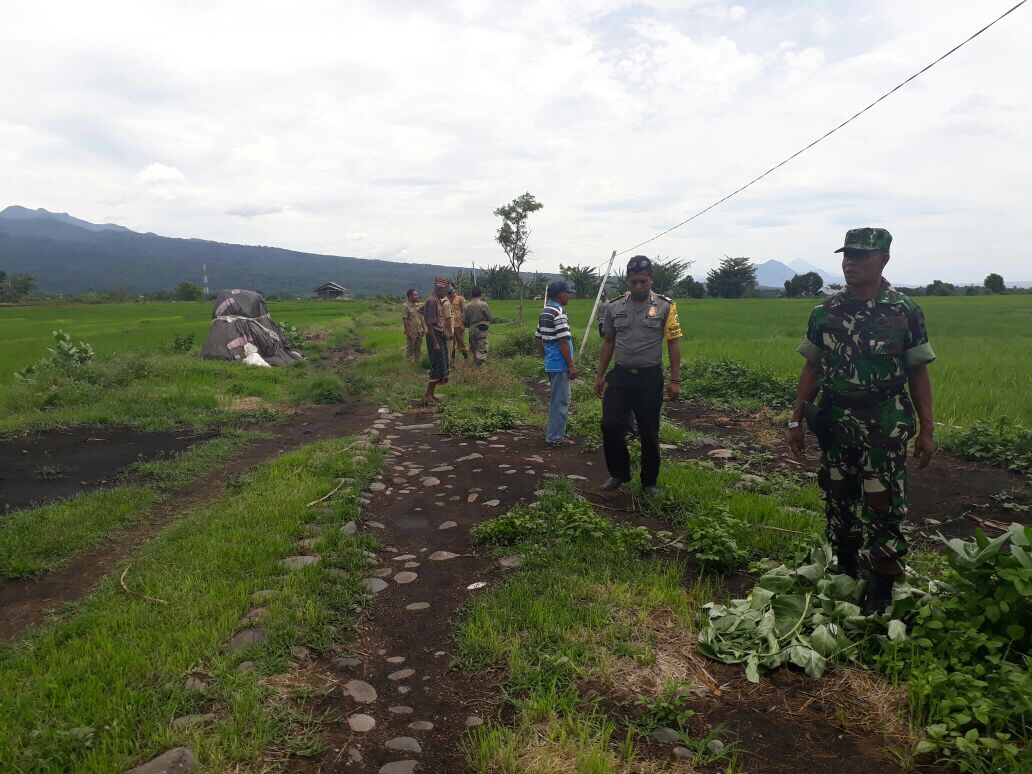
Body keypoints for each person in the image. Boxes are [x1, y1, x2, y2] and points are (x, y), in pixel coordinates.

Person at [789, 227, 936, 616]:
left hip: (885, 420)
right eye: (847, 255)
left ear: (883, 260)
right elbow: (811, 367)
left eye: (860, 256)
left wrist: (927, 428)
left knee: (884, 502)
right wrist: (795, 419)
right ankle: (847, 569)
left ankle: (883, 584)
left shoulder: (905, 310)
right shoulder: (826, 311)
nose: (849, 263)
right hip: (836, 418)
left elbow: (918, 371)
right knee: (839, 498)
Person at [595, 256, 681, 497]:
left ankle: (649, 482)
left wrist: (675, 380)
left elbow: (673, 343)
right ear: (627, 281)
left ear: (651, 279)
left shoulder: (665, 306)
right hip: (621, 376)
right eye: (634, 282)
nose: (638, 286)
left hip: (649, 378)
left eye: (643, 282)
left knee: (648, 430)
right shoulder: (615, 307)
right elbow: (609, 342)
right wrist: (600, 374)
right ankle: (619, 473)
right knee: (610, 424)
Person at [535, 279, 577, 447]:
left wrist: (546, 354)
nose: (569, 297)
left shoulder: (545, 311)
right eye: (568, 294)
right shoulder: (558, 313)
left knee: (557, 399)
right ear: (562, 295)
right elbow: (563, 342)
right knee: (561, 400)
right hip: (560, 364)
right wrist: (571, 365)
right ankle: (555, 437)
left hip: (552, 362)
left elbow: (538, 338)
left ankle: (555, 433)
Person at [421, 277, 451, 405]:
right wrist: (435, 342)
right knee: (437, 366)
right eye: (445, 291)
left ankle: (431, 394)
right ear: (440, 289)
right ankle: (428, 395)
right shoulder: (432, 301)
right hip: (435, 335)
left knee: (441, 365)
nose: (446, 293)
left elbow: (422, 311)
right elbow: (430, 322)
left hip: (439, 334)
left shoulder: (435, 300)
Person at [463, 285, 493, 367]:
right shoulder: (484, 304)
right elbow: (490, 317)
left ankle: (475, 368)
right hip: (482, 329)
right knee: (482, 349)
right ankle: (478, 368)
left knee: (474, 349)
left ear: (472, 294)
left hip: (472, 329)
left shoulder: (467, 305)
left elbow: (464, 320)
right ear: (480, 294)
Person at [401, 288, 427, 362]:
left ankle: (417, 362)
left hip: (419, 330)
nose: (417, 296)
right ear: (410, 296)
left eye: (417, 294)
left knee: (418, 348)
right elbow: (405, 320)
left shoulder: (417, 305)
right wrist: (408, 332)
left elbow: (421, 317)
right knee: (410, 348)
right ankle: (409, 364)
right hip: (412, 331)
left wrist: (424, 328)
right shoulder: (405, 306)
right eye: (415, 295)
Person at [448, 287, 470, 361]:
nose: (450, 294)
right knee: (451, 343)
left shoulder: (460, 299)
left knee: (461, 343)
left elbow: (465, 311)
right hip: (449, 325)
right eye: (449, 293)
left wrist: (463, 323)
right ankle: (452, 360)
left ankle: (466, 358)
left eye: (451, 293)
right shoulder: (446, 299)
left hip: (458, 325)